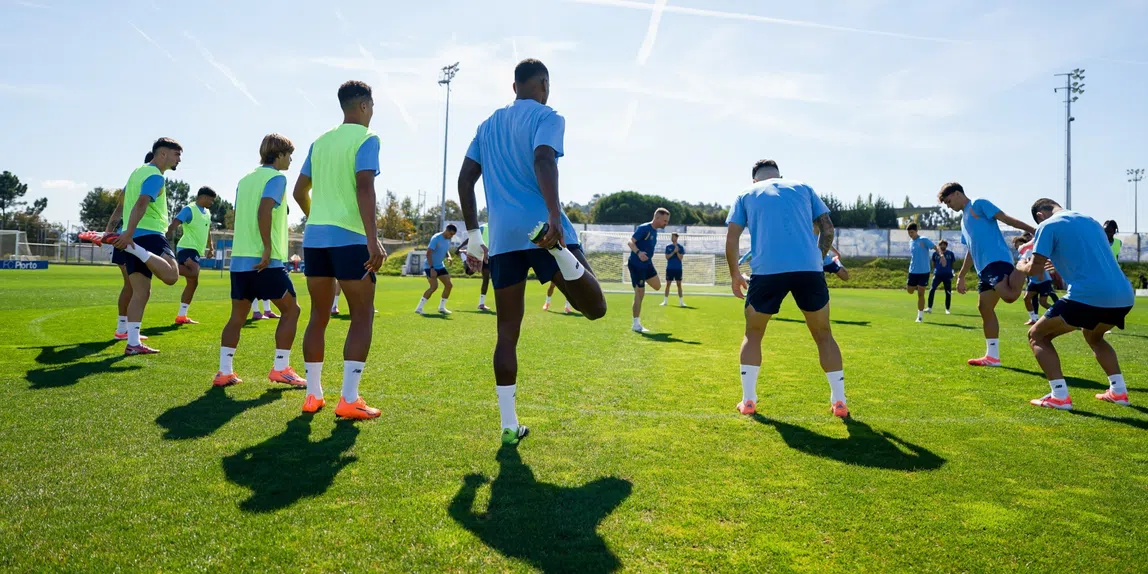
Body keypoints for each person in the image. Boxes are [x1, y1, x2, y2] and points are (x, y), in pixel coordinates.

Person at [457, 58, 608, 445]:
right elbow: (543, 158)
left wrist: (475, 233)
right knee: (596, 308)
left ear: (514, 87)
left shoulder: (487, 124)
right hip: (542, 229)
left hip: (504, 238)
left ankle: (508, 426)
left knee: (506, 333)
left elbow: (465, 179)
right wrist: (555, 218)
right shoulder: (548, 116)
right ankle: (559, 252)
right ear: (543, 84)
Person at [292, 80, 387, 420]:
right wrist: (373, 238)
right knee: (361, 315)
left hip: (315, 240)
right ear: (363, 105)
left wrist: (316, 217)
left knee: (318, 315)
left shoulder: (320, 141)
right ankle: (349, 399)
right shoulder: (367, 138)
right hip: (350, 238)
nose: (373, 112)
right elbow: (365, 188)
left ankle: (312, 396)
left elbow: (299, 190)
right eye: (372, 106)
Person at [726, 159, 849, 418]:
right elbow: (827, 228)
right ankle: (839, 402)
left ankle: (748, 401)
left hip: (767, 270)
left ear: (754, 179)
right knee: (823, 334)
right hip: (809, 269)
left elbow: (733, 237)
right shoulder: (803, 187)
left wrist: (735, 274)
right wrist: (818, 256)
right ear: (780, 176)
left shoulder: (745, 194)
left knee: (754, 333)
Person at [1020, 199, 1136, 410]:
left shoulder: (1047, 225)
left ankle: (1059, 396)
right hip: (1124, 295)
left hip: (1089, 295)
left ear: (1039, 215)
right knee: (1094, 336)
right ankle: (1118, 391)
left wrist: (1021, 266)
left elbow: (1035, 270)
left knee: (1037, 335)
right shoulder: (1090, 221)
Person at [214, 134, 307, 389]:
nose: (290, 160)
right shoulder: (277, 178)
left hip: (240, 262)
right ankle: (281, 368)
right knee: (292, 310)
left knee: (237, 317)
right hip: (265, 261)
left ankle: (224, 372)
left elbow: (253, 210)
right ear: (279, 155)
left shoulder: (245, 180)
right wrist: (267, 247)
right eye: (289, 155)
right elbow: (263, 210)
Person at [938, 182, 1035, 367]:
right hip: (984, 270)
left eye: (949, 201)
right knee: (984, 307)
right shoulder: (963, 220)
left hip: (996, 260)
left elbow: (1006, 218)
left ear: (957, 194)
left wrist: (1034, 231)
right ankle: (992, 357)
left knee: (1009, 296)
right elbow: (971, 250)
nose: (949, 206)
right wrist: (961, 275)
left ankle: (1023, 263)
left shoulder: (978, 204)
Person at [108, 138, 185, 355]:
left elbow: (122, 204)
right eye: (176, 154)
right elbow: (141, 202)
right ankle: (136, 250)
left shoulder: (137, 172)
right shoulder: (155, 176)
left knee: (140, 292)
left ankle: (133, 343)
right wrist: (129, 234)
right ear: (162, 154)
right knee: (171, 276)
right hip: (148, 235)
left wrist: (119, 231)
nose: (179, 159)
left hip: (134, 236)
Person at [168, 186, 216, 325]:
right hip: (186, 247)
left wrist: (211, 247)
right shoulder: (190, 209)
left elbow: (208, 231)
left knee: (193, 282)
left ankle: (181, 316)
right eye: (211, 200)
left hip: (196, 250)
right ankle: (166, 266)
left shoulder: (207, 213)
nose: (211, 203)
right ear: (203, 197)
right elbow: (176, 222)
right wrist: (169, 233)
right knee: (194, 272)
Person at [627, 208, 671, 332]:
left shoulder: (655, 231)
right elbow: (630, 242)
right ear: (657, 218)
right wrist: (639, 253)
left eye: (667, 221)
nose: (666, 223)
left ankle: (638, 286)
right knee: (640, 293)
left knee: (657, 286)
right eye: (664, 220)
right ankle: (636, 325)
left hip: (647, 264)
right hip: (637, 264)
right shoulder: (644, 228)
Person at [1014, 234, 1059, 325]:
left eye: (1019, 244)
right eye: (1016, 245)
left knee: (1043, 302)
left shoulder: (1030, 251)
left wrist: (1041, 274)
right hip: (1034, 281)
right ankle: (1033, 318)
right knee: (1026, 298)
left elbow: (1039, 262)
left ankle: (1060, 315)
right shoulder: (1022, 255)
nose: (1018, 246)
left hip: (1043, 280)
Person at [905, 223, 942, 323]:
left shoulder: (923, 240)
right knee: (910, 291)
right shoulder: (910, 242)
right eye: (909, 233)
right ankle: (917, 286)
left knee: (921, 294)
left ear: (916, 231)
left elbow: (935, 247)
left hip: (924, 272)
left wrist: (941, 256)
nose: (910, 234)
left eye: (912, 232)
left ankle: (920, 317)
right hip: (913, 271)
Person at [416, 225, 456, 315]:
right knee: (433, 287)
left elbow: (445, 250)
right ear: (446, 230)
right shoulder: (436, 238)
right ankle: (419, 308)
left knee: (449, 285)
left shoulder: (448, 239)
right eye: (451, 234)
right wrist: (431, 268)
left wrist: (449, 257)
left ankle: (442, 307)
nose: (451, 236)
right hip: (430, 266)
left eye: (453, 235)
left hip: (440, 266)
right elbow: (428, 253)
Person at [457, 222, 493, 311]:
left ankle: (482, 303)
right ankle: (481, 303)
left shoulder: (497, 227)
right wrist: (460, 247)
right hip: (480, 254)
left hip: (490, 254)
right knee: (477, 275)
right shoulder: (483, 227)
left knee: (487, 278)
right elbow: (471, 238)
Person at [926, 240, 956, 314]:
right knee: (932, 290)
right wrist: (936, 270)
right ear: (939, 246)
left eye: (944, 245)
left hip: (947, 275)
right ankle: (929, 308)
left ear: (946, 246)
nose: (942, 246)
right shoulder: (935, 254)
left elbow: (952, 264)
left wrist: (951, 271)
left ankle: (947, 309)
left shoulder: (950, 254)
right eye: (941, 245)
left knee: (948, 292)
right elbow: (933, 264)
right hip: (937, 275)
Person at [662, 232, 686, 307]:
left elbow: (681, 258)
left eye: (674, 237)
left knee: (679, 285)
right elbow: (667, 257)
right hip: (670, 268)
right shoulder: (668, 247)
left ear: (676, 238)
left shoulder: (680, 247)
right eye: (672, 237)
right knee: (668, 284)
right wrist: (673, 252)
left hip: (678, 269)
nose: (672, 238)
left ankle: (681, 302)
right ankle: (665, 301)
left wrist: (677, 252)